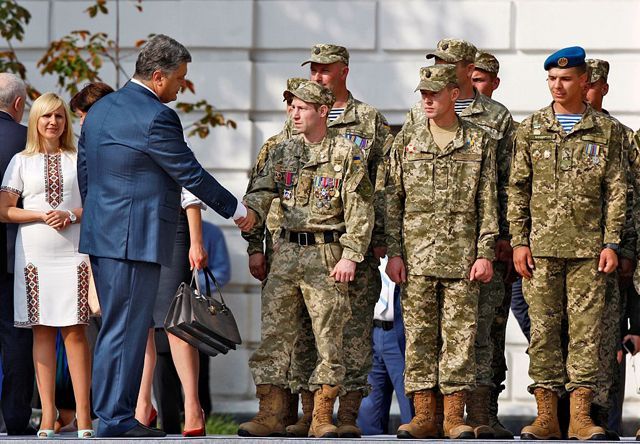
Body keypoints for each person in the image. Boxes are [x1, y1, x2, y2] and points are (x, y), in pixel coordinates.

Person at [78, 34, 255, 438]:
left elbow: (85, 176)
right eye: (179, 78)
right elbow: (189, 173)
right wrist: (239, 211)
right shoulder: (157, 116)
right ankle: (117, 421)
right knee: (128, 327)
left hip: (103, 235)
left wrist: (101, 221)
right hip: (135, 238)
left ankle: (111, 415)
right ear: (158, 76)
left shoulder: (101, 109)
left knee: (116, 329)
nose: (181, 86)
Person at [239, 81, 374, 438]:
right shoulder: (282, 152)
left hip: (326, 252)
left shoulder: (347, 153)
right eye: (292, 107)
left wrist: (351, 255)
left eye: (301, 108)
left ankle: (321, 416)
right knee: (276, 336)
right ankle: (269, 412)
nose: (294, 114)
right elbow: (259, 194)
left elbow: (361, 209)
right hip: (285, 252)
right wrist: (251, 230)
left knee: (328, 337)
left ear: (322, 112)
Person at [508, 46, 627, 441]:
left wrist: (611, 242)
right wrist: (519, 242)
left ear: (583, 82)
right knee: (542, 334)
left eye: (566, 79)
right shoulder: (530, 129)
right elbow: (518, 189)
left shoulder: (606, 131)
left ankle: (580, 416)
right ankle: (546, 417)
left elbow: (617, 192)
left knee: (586, 336)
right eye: (552, 80)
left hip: (589, 253)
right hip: (540, 252)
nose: (558, 86)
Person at [401, 39, 513, 438]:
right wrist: (394, 251)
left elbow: (496, 194)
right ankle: (424, 415)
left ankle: (462, 415)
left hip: (467, 255)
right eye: (425, 92)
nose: (429, 99)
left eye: (437, 89)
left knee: (469, 337)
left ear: (461, 77)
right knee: (420, 337)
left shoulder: (487, 129)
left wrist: (493, 246)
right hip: (418, 255)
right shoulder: (411, 131)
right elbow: (391, 195)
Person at [285, 44, 393, 439]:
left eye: (325, 70)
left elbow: (384, 182)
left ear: (344, 72)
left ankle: (346, 414)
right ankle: (311, 413)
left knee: (353, 334)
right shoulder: (298, 116)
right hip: (307, 248)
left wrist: (376, 239)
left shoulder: (368, 119)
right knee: (308, 334)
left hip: (354, 247)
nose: (318, 76)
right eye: (314, 69)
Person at [0, 92, 94, 438]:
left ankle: (84, 417)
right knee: (40, 331)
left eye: (59, 116)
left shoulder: (77, 158)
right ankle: (48, 416)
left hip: (73, 251)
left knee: (75, 331)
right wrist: (41, 213)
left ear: (66, 122)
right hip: (34, 255)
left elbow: (95, 204)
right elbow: (4, 209)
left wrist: (70, 214)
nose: (53, 122)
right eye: (45, 117)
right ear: (35, 121)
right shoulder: (21, 161)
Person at [584, 58, 637, 439]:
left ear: (603, 88)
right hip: (569, 255)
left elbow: (629, 197)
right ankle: (576, 415)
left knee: (614, 341)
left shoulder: (621, 135)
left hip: (613, 256)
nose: (586, 91)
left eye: (592, 84)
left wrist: (625, 248)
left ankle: (607, 422)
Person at [134, 186, 209, 437]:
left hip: (170, 226)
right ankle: (143, 405)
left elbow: (191, 192)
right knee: (139, 325)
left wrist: (196, 242)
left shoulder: (175, 143)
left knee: (176, 324)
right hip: (130, 225)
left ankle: (192, 406)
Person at [473, 49, 519, 439]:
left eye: (481, 78)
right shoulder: (432, 113)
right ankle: (442, 413)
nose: (475, 85)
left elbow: (510, 183)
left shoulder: (499, 119)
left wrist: (507, 236)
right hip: (441, 245)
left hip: (491, 245)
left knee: (489, 330)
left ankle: (485, 412)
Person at [0, 72, 35, 436]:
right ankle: (15, 418)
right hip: (16, 253)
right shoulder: (29, 142)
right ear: (19, 104)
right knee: (15, 336)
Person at [356, 258, 413, 434]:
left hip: (399, 333)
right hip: (371, 332)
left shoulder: (405, 254)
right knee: (368, 407)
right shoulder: (367, 252)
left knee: (410, 405)